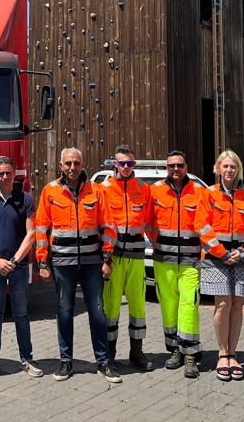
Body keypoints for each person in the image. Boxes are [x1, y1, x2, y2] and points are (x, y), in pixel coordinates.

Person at [35, 147, 120, 383]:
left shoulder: (96, 191)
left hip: (93, 263)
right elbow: (41, 228)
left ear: (83, 164)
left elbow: (109, 227)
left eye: (76, 163)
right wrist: (42, 261)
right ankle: (65, 361)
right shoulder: (49, 191)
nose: (72, 168)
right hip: (63, 263)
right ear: (61, 165)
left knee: (97, 311)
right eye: (68, 163)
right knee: (64, 311)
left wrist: (107, 258)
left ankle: (103, 362)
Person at [196, 150, 244, 382]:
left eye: (233, 167)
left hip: (243, 256)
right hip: (217, 257)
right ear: (217, 169)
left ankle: (233, 353)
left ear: (238, 170)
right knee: (223, 304)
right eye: (225, 166)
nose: (228, 170)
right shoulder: (208, 194)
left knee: (237, 304)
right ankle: (222, 353)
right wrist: (222, 253)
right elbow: (202, 227)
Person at [0, 155, 43, 378]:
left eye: (9, 173)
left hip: (19, 268)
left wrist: (13, 261)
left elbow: (31, 234)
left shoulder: (26, 199)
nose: (5, 177)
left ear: (15, 175)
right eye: (1, 173)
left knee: (21, 313)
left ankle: (27, 358)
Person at [148, 149, 206, 378]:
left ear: (186, 167)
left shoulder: (199, 191)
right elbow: (147, 222)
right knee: (169, 306)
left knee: (189, 306)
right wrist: (158, 242)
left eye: (179, 165)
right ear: (166, 168)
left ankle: (190, 354)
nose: (175, 169)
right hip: (164, 260)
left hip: (191, 261)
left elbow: (207, 224)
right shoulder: (155, 191)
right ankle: (174, 350)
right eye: (171, 166)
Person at [100, 145, 153, 371]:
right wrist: (104, 257)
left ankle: (136, 352)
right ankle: (109, 354)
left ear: (135, 165)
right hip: (113, 257)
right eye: (122, 163)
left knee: (138, 306)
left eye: (130, 163)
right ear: (115, 164)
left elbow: (151, 222)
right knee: (111, 307)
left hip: (137, 256)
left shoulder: (143, 188)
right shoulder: (103, 188)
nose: (126, 167)